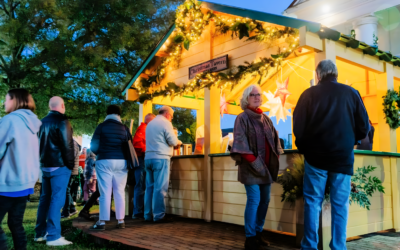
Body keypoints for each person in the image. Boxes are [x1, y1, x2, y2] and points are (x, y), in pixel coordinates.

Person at [293, 59, 370, 250]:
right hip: (342, 158)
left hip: (315, 158)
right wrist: (352, 139)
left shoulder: (308, 95)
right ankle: (338, 247)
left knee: (312, 203)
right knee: (340, 206)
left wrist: (304, 147)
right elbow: (364, 127)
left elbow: (298, 127)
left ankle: (310, 246)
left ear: (317, 75)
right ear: (336, 74)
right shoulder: (351, 93)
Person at [230, 85, 283, 250]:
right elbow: (240, 144)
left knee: (265, 201)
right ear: (246, 98)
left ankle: (258, 233)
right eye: (253, 95)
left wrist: (276, 156)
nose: (257, 97)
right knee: (254, 200)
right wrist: (255, 162)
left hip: (266, 168)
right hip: (251, 168)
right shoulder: (242, 118)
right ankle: (250, 238)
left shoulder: (266, 118)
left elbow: (276, 140)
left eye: (258, 94)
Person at [0, 89, 42, 250]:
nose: (4, 102)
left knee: (14, 223)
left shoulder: (9, 121)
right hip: (25, 183)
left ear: (15, 100)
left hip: (7, 182)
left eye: (7, 99)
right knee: (15, 223)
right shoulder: (33, 123)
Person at [35, 96, 75, 246]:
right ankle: (53, 235)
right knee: (57, 199)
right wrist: (70, 164)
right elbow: (67, 145)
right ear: (62, 106)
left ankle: (39, 233)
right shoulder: (62, 121)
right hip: (59, 165)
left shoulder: (41, 122)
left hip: (45, 165)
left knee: (45, 198)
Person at [89, 105, 130, 230]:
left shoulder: (101, 127)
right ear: (119, 114)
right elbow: (129, 146)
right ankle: (121, 220)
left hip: (104, 160)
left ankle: (102, 222)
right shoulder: (124, 128)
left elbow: (94, 145)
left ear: (107, 113)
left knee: (105, 192)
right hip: (121, 162)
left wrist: (97, 153)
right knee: (120, 191)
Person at [144, 106, 182, 223]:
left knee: (149, 188)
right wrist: (179, 142)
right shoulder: (165, 123)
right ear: (167, 114)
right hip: (160, 157)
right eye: (171, 116)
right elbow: (173, 141)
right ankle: (158, 215)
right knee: (160, 188)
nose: (171, 119)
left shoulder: (150, 124)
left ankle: (147, 215)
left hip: (148, 157)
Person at [132, 113, 156, 219]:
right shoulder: (144, 129)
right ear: (150, 121)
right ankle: (138, 212)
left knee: (141, 186)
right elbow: (137, 144)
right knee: (140, 186)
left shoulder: (144, 128)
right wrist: (149, 150)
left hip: (142, 159)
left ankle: (139, 210)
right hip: (141, 159)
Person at [61, 139, 81, 218]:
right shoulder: (72, 143)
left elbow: (70, 158)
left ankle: (66, 212)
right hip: (70, 170)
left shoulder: (72, 144)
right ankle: (72, 208)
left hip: (69, 170)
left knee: (66, 190)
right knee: (66, 190)